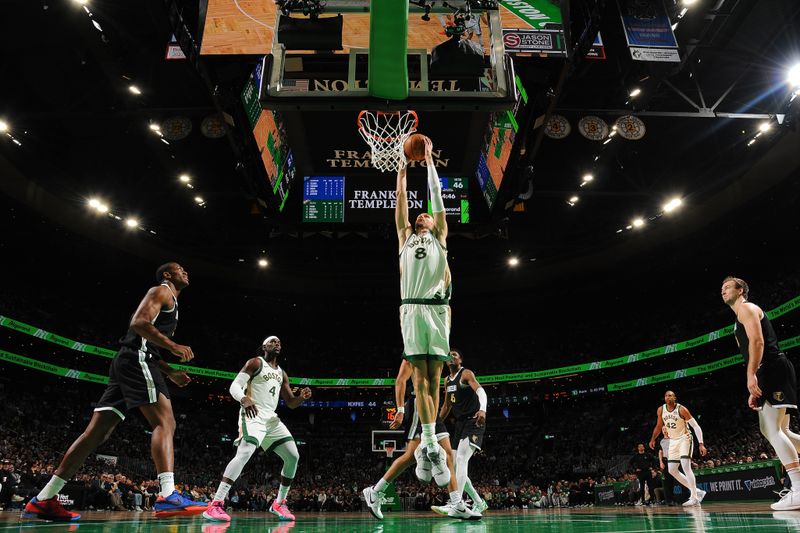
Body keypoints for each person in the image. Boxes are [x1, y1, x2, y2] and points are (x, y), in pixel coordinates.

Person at [23, 263, 205, 521]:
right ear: (167, 274)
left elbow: (143, 344)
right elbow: (139, 323)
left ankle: (43, 499)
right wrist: (173, 345)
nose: (185, 271)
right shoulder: (161, 291)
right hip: (135, 360)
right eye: (179, 269)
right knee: (165, 422)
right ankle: (167, 495)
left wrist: (169, 371)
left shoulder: (170, 301)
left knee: (94, 435)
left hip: (129, 361)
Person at [203, 336, 311, 523]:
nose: (277, 343)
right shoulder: (255, 363)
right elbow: (234, 386)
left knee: (293, 456)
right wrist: (244, 399)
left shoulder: (282, 373)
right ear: (264, 346)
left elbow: (291, 403)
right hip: (253, 414)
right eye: (272, 341)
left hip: (271, 419)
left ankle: (279, 503)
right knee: (245, 453)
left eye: (279, 342)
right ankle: (216, 503)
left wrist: (301, 397)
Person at [394, 136, 452, 485]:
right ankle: (429, 445)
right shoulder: (404, 235)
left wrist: (429, 160)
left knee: (435, 381)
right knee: (420, 382)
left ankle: (430, 445)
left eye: (428, 215)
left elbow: (436, 196)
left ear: (434, 223)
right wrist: (403, 165)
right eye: (421, 215)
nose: (423, 215)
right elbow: (402, 197)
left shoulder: (441, 236)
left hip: (439, 311)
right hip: (413, 310)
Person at [362, 360, 479, 520]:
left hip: (433, 408)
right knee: (410, 456)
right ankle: (375, 491)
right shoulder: (415, 351)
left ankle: (457, 503)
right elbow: (401, 380)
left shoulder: (437, 350)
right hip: (419, 404)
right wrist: (400, 410)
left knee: (448, 456)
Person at [722, 276, 800, 510]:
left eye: (728, 287)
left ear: (741, 290)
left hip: (772, 367)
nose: (723, 291)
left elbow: (757, 342)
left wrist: (751, 375)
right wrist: (753, 382)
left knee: (770, 428)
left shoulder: (747, 308)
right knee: (781, 430)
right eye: (721, 289)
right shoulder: (738, 319)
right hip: (768, 370)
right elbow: (749, 351)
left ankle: (798, 488)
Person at [433, 350, 488, 516]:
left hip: (474, 420)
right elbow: (447, 406)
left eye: (455, 354)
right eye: (448, 355)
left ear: (460, 359)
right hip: (459, 425)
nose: (451, 356)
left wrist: (482, 410)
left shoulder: (466, 373)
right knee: (455, 466)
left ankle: (456, 503)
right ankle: (479, 502)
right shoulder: (446, 380)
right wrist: (434, 424)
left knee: (462, 460)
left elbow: (481, 391)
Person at [649, 390, 707, 506]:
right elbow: (659, 426)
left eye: (670, 395)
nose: (668, 397)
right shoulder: (661, 410)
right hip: (673, 440)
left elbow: (695, 426)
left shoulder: (682, 409)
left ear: (674, 398)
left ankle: (694, 497)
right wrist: (653, 439)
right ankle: (698, 491)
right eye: (666, 395)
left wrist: (701, 443)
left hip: (685, 438)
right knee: (672, 470)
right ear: (664, 398)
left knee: (685, 466)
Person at [658, 434, 676, 505]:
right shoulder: (661, 441)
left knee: (675, 480)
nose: (664, 430)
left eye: (665, 429)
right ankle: (669, 500)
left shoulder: (674, 438)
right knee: (667, 482)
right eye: (663, 429)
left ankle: (682, 498)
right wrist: (661, 462)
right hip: (665, 461)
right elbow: (660, 452)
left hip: (674, 460)